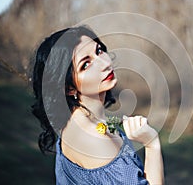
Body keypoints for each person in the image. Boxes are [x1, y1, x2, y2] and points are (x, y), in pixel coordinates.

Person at [32, 26, 164, 185]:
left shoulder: (77, 122)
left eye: (99, 51)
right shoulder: (92, 139)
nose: (104, 63)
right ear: (68, 88)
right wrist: (152, 144)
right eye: (85, 65)